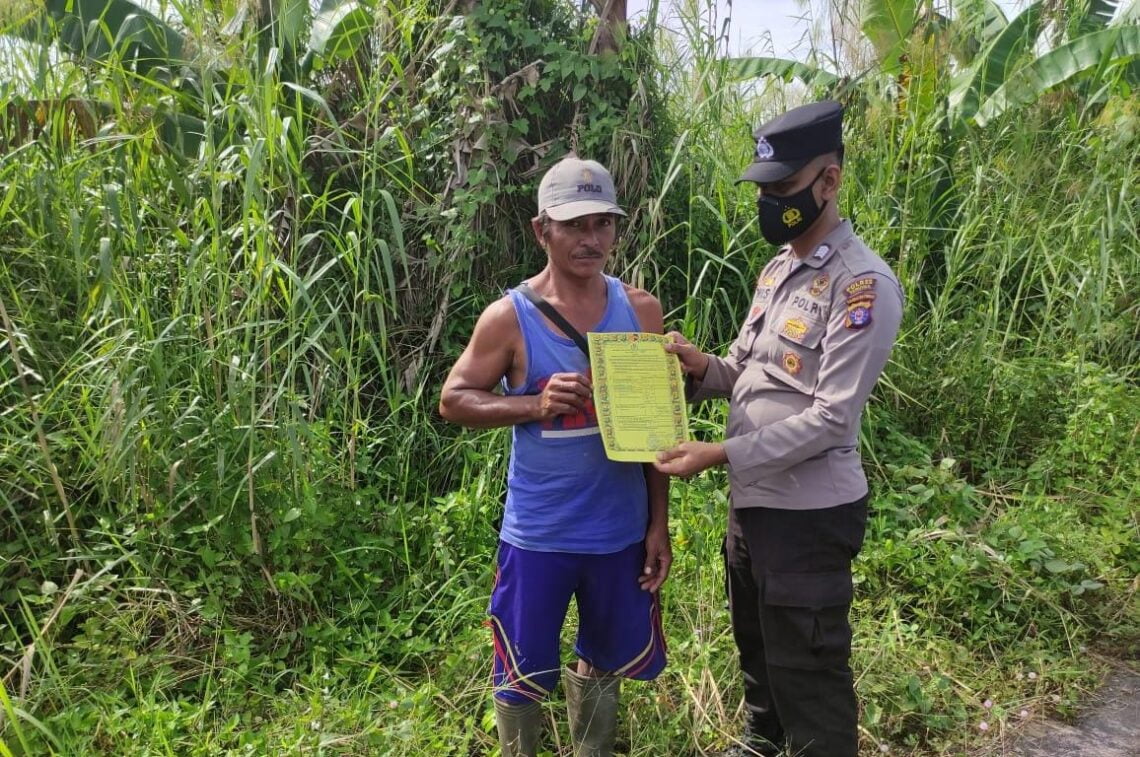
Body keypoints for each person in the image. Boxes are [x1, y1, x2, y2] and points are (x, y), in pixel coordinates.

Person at [654, 101, 904, 757]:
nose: (769, 202)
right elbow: (748, 370)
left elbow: (830, 418)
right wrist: (699, 365)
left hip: (809, 516)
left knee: (809, 674)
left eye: (783, 187)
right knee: (760, 652)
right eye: (763, 189)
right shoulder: (777, 270)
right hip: (755, 508)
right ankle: (759, 745)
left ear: (829, 180)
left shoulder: (861, 285)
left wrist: (719, 453)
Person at [439, 156, 671, 757]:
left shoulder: (641, 311)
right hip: (539, 534)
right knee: (520, 671)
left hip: (618, 532)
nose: (590, 239)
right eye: (574, 226)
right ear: (542, 230)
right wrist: (533, 404)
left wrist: (658, 524)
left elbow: (653, 432)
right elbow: (454, 399)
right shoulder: (510, 317)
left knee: (604, 658)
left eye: (602, 224)